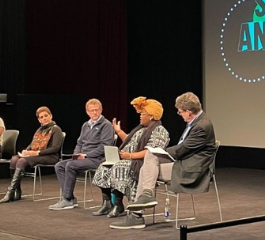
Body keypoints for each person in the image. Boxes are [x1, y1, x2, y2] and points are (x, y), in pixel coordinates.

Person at [110, 92, 215, 230]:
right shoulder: (196, 121)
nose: (180, 114)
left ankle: (138, 212)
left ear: (189, 112)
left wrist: (162, 152)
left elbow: (182, 150)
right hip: (183, 162)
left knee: (148, 163)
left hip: (192, 169)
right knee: (150, 158)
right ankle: (144, 199)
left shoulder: (202, 126)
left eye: (181, 112)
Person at [91, 97, 169, 218]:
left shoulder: (159, 130)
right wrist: (118, 131)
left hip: (144, 164)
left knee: (119, 166)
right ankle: (107, 203)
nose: (140, 116)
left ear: (151, 116)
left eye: (143, 114)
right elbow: (130, 141)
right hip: (129, 158)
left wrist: (130, 156)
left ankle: (118, 204)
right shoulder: (141, 129)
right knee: (104, 166)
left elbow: (152, 152)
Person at [50, 98, 113, 210]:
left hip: (97, 158)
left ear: (101, 110)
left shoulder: (106, 125)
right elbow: (80, 142)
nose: (94, 113)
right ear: (87, 112)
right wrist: (76, 155)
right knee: (59, 165)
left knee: (70, 166)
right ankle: (70, 198)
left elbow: (105, 146)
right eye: (92, 110)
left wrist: (87, 155)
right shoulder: (85, 125)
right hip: (83, 157)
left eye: (97, 110)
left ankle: (67, 199)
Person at [0, 106, 64, 203]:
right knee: (14, 159)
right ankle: (17, 190)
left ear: (51, 116)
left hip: (51, 156)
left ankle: (10, 191)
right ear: (39, 120)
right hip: (37, 155)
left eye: (46, 116)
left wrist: (37, 152)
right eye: (41, 117)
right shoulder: (39, 130)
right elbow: (32, 144)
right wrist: (26, 151)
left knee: (22, 161)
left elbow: (55, 148)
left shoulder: (56, 129)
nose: (44, 118)